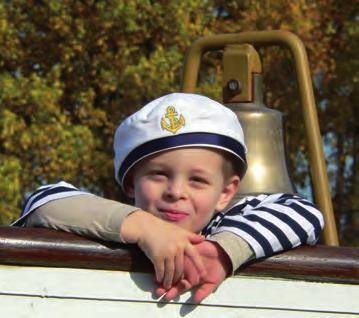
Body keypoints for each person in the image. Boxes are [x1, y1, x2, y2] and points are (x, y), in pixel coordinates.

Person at [12, 93, 324, 303]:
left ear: (226, 192)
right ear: (132, 182)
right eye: (158, 174)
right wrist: (145, 228)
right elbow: (44, 202)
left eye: (198, 180)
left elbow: (303, 212)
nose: (176, 191)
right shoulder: (113, 226)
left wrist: (223, 252)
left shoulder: (226, 224)